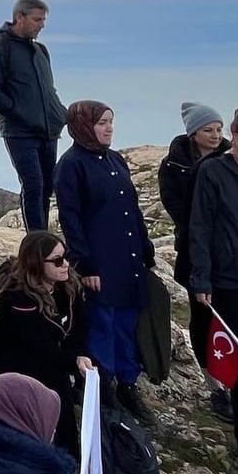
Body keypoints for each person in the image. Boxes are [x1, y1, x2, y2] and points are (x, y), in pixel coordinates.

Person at [53, 100, 154, 425]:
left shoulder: (115, 160)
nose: (109, 128)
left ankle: (127, 385)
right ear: (83, 125)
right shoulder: (71, 165)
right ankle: (103, 391)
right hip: (100, 260)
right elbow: (71, 217)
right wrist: (86, 264)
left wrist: (146, 248)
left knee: (127, 324)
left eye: (111, 121)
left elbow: (132, 209)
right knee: (103, 326)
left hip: (128, 259)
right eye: (101, 123)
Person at [189, 107, 238, 472]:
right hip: (234, 287)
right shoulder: (213, 172)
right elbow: (201, 227)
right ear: (236, 137)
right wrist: (201, 279)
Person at [157, 101, 232, 422]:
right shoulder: (173, 165)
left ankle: (236, 380)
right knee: (203, 317)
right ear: (193, 133)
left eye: (219, 129)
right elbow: (177, 209)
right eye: (208, 130)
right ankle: (213, 384)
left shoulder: (231, 158)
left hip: (231, 254)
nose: (216, 136)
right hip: (194, 251)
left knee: (233, 319)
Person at [0, 231, 91, 453]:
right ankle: (67, 453)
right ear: (36, 263)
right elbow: (39, 348)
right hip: (15, 352)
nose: (66, 264)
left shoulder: (67, 285)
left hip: (50, 349)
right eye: (57, 260)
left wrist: (79, 355)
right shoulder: (19, 298)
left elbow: (79, 329)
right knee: (57, 384)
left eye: (66, 256)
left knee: (94, 376)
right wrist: (73, 361)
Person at [0, 0, 67, 231]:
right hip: (20, 132)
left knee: (47, 185)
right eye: (37, 19)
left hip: (48, 130)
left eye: (43, 20)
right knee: (33, 183)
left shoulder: (41, 51)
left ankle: (44, 239)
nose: (41, 25)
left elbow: (48, 90)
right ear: (20, 17)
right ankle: (36, 240)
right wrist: (20, 115)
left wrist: (60, 114)